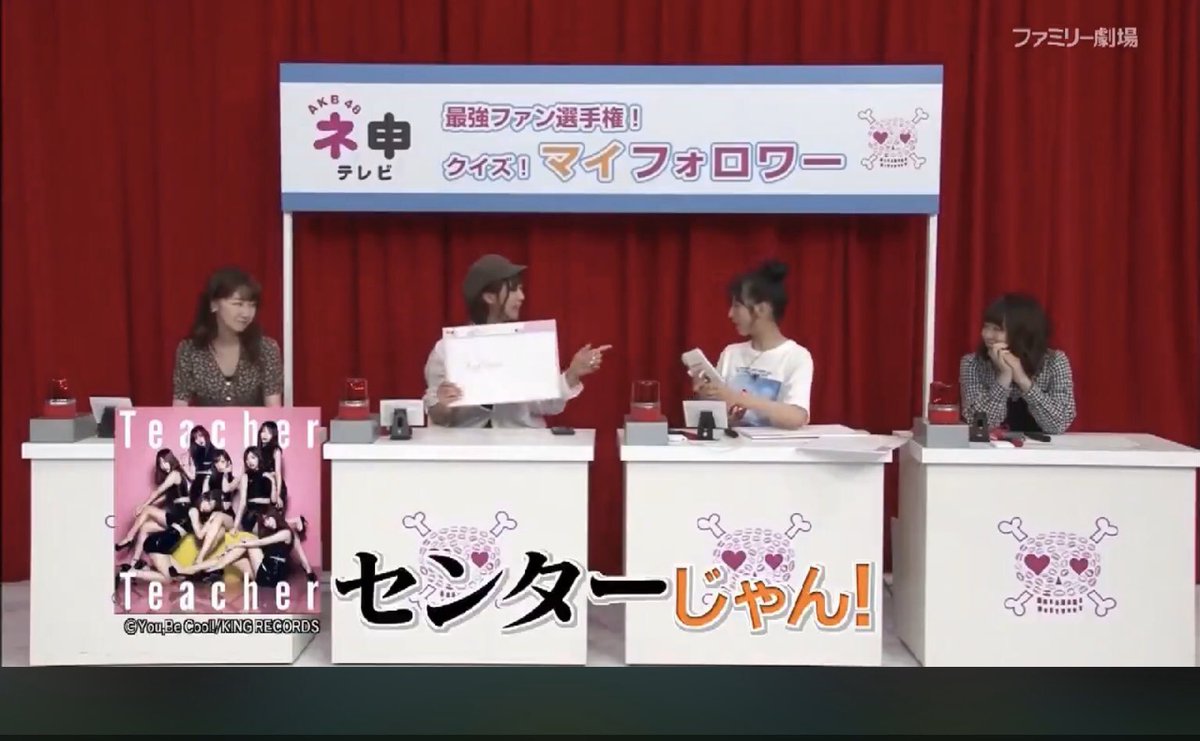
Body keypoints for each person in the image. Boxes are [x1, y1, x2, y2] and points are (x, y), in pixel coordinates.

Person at [422, 254, 611, 428]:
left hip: (522, 444)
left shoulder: (527, 344)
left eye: (521, 289)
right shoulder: (448, 349)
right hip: (467, 446)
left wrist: (572, 374)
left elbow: (547, 404)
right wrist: (444, 405)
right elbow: (437, 414)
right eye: (513, 290)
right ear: (489, 297)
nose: (521, 297)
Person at [692, 259, 813, 430]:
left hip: (775, 447)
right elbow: (716, 415)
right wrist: (705, 394)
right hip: (729, 444)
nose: (730, 314)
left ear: (762, 309)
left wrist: (740, 399)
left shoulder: (796, 356)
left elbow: (796, 417)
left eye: (737, 306)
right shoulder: (730, 353)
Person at [959, 292, 1076, 435]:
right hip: (991, 447)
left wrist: (1022, 380)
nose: (987, 335)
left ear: (1021, 332)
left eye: (997, 329)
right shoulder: (973, 363)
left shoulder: (1054, 362)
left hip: (1045, 447)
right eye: (986, 327)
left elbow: (1059, 424)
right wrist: (1003, 378)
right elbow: (978, 425)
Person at [173, 266, 283, 407]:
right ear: (214, 304)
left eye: (252, 305)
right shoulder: (189, 350)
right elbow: (180, 407)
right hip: (207, 422)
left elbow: (273, 410)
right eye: (238, 304)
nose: (246, 313)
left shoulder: (266, 348)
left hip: (253, 422)